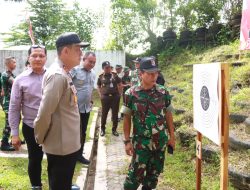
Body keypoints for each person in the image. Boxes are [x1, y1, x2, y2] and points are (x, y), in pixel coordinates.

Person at [34, 32, 89, 190]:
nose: (81, 53)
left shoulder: (63, 72)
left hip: (67, 144)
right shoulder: (58, 76)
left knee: (63, 183)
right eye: (78, 49)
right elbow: (45, 113)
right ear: (65, 51)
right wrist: (40, 137)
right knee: (59, 184)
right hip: (60, 146)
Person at [121, 57, 175, 190]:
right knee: (133, 178)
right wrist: (127, 141)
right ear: (141, 74)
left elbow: (168, 115)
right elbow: (127, 119)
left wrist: (172, 137)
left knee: (152, 178)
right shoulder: (131, 93)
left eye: (155, 73)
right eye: (150, 73)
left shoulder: (163, 92)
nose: (154, 76)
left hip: (160, 142)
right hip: (141, 144)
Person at [9, 45, 47, 189]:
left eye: (41, 56)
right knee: (35, 159)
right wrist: (14, 134)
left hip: (53, 126)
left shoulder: (53, 76)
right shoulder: (20, 80)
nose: (37, 58)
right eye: (34, 56)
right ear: (28, 58)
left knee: (56, 158)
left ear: (46, 58)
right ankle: (36, 186)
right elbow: (14, 107)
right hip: (32, 127)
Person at [71, 51, 96, 165]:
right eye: (90, 61)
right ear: (84, 59)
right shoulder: (74, 70)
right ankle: (71, 154)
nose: (92, 64)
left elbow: (90, 89)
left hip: (86, 108)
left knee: (83, 132)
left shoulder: (93, 74)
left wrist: (90, 100)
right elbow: (66, 86)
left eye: (94, 62)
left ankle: (79, 155)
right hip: (74, 109)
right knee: (73, 132)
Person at [97, 61, 122, 137]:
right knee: (104, 114)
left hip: (115, 97)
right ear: (103, 68)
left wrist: (120, 94)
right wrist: (100, 94)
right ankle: (102, 130)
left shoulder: (115, 75)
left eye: (109, 67)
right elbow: (98, 85)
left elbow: (120, 84)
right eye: (106, 68)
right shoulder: (101, 76)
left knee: (115, 114)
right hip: (105, 98)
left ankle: (114, 130)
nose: (108, 69)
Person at [0, 56, 16, 151]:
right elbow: (15, 83)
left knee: (15, 120)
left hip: (12, 102)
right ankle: (4, 143)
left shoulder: (11, 74)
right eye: (13, 62)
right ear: (8, 64)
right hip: (8, 102)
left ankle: (12, 139)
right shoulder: (6, 75)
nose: (15, 64)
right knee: (8, 123)